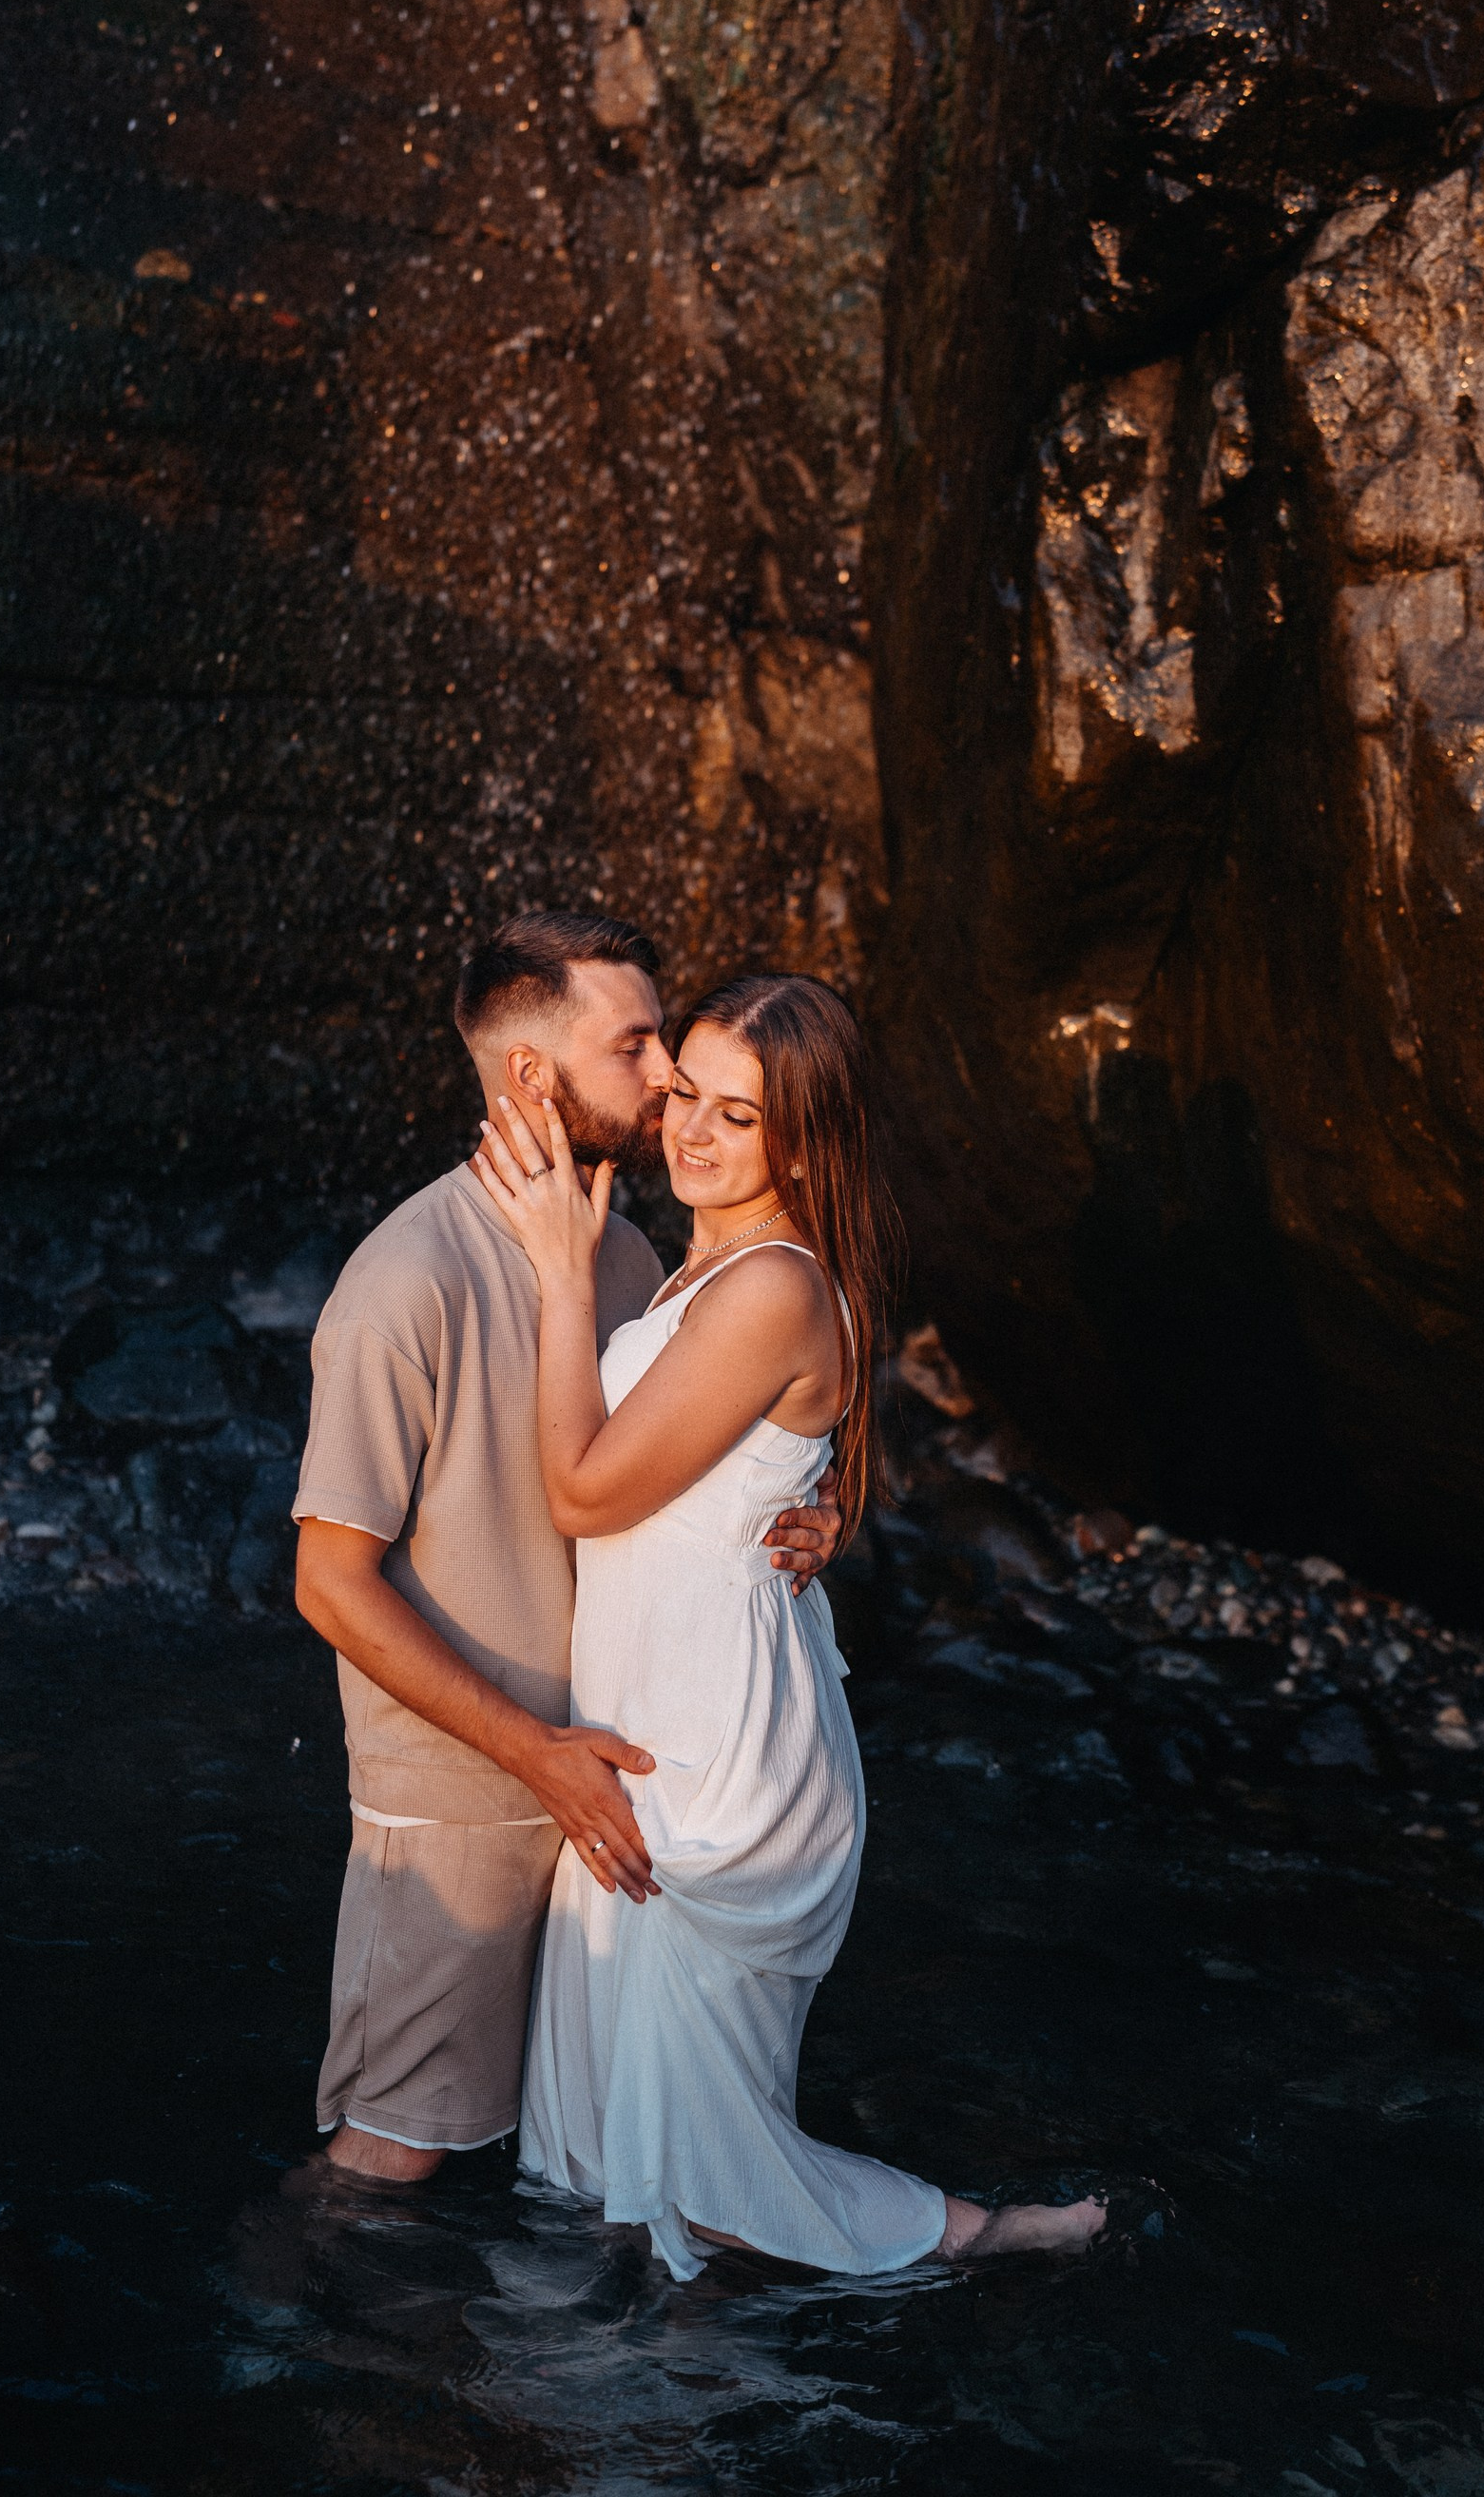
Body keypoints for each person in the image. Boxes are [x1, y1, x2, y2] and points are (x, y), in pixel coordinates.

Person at [472, 972, 1107, 2277]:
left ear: (804, 1140)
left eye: (738, 1117)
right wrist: (828, 1513)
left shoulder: (767, 1286)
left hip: (721, 1753)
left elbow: (585, 1493)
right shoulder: (720, 1267)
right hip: (657, 1721)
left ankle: (981, 2236)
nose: (692, 1134)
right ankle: (653, 2420)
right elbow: (777, 1470)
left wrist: (555, 1271)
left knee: (698, 2170)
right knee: (619, 2150)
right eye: (685, 1096)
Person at [290, 913, 841, 2185]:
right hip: (470, 1807)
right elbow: (327, 1580)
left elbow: (692, 1468)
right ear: (533, 1075)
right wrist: (535, 1756)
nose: (667, 1081)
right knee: (389, 2164)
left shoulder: (632, 1251)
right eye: (639, 1044)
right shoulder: (403, 1282)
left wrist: (811, 1515)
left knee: (577, 2168)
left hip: (620, 1792)